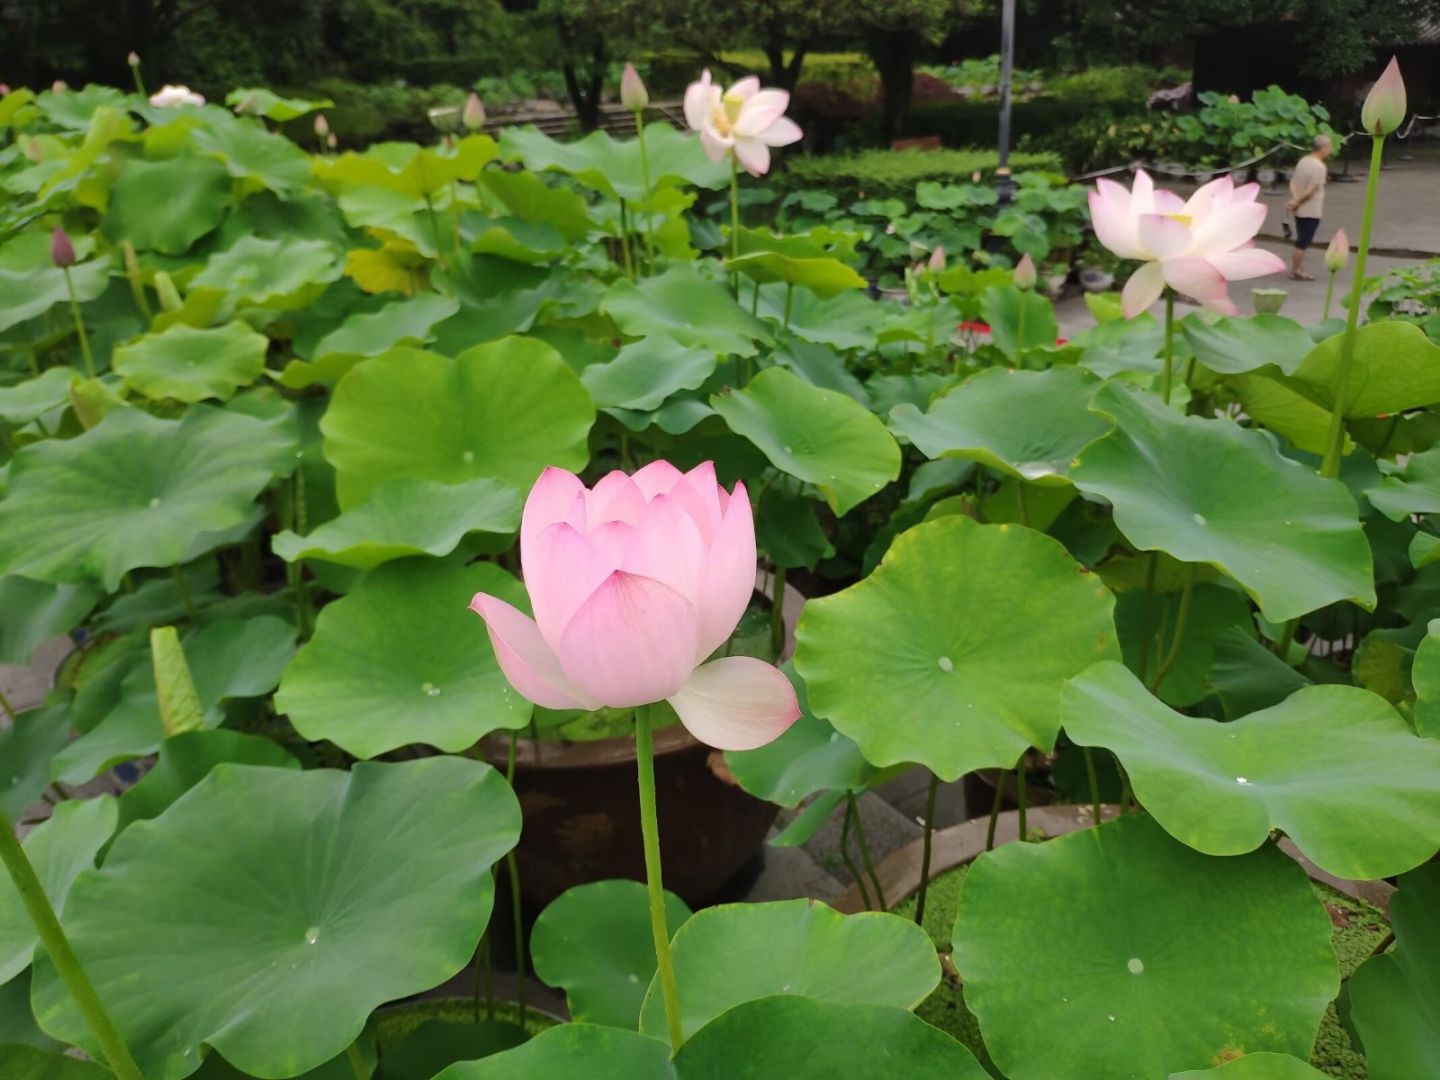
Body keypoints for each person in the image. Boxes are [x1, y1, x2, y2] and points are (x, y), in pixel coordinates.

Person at [1286, 134, 1332, 280]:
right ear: (1323, 148)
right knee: (1303, 242)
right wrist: (1298, 201)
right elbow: (1311, 191)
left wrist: (1294, 200)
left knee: (1301, 239)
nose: (1330, 150)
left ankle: (1297, 268)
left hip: (1299, 209)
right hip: (1311, 210)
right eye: (1329, 146)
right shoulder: (1319, 167)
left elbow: (1293, 182)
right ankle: (1295, 269)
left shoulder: (1303, 161)